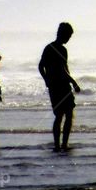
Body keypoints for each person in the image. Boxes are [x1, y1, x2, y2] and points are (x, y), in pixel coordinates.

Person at [38, 22, 81, 151]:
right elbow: (42, 66)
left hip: (62, 85)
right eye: (68, 36)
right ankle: (60, 144)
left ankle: (62, 144)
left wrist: (71, 81)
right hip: (58, 86)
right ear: (62, 34)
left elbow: (64, 69)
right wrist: (47, 80)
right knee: (62, 115)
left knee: (66, 115)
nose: (69, 39)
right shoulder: (52, 48)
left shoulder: (60, 49)